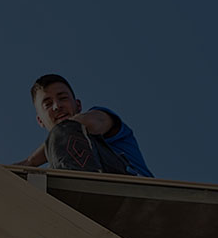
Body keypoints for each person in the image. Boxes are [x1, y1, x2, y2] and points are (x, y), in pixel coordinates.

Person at [13, 74, 153, 177]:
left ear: (78, 105)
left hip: (135, 188)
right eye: (48, 104)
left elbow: (90, 122)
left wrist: (30, 162)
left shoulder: (101, 117)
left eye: (63, 98)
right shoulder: (62, 164)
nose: (57, 106)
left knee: (65, 132)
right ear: (40, 121)